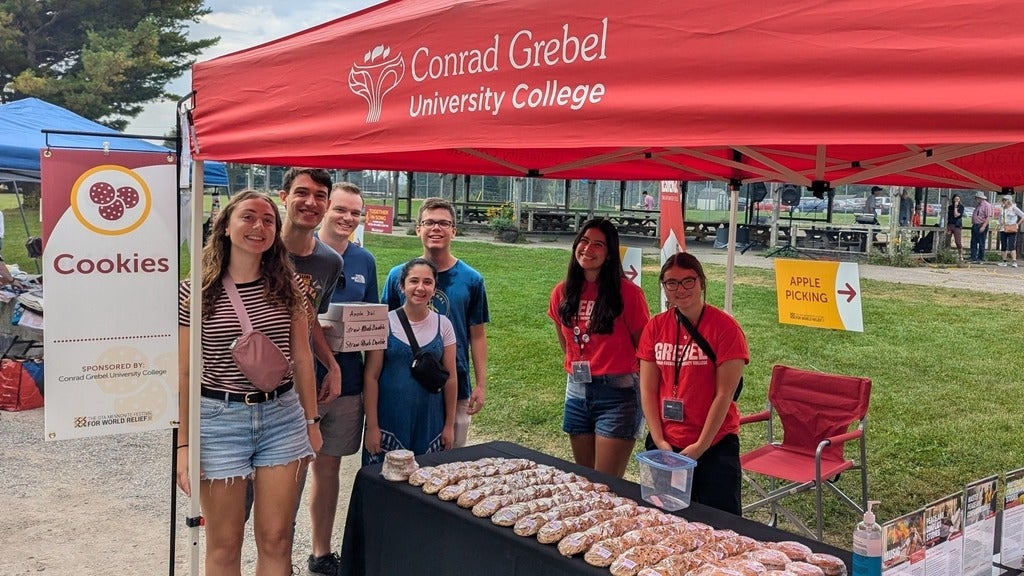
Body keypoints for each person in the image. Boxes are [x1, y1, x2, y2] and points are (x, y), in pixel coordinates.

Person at [175, 190, 321, 575]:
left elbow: (303, 358)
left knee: (276, 539)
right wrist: (184, 445)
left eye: (268, 220)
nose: (259, 226)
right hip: (219, 420)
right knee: (224, 544)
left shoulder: (287, 285)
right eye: (248, 217)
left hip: (282, 418)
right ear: (224, 226)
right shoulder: (195, 291)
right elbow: (185, 373)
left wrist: (312, 421)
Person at [637, 252, 748, 514]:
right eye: (671, 283)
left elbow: (724, 395)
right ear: (664, 288)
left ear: (701, 283)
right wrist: (659, 439)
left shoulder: (725, 328)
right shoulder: (655, 327)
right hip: (665, 444)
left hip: (714, 445)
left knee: (719, 523)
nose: (680, 289)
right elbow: (648, 388)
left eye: (688, 281)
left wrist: (701, 446)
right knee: (665, 517)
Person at [305, 182, 379, 571]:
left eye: (355, 212)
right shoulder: (300, 253)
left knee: (328, 467)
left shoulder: (364, 260)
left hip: (347, 382)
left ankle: (320, 551)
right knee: (291, 470)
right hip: (301, 382)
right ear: (325, 210)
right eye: (341, 210)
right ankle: (276, 552)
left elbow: (374, 324)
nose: (348, 218)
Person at [276, 168, 345, 575]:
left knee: (286, 491)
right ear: (284, 196)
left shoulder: (328, 262)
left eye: (320, 195)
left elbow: (310, 318)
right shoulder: (257, 248)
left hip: (296, 390)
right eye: (302, 192)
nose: (310, 202)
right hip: (242, 391)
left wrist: (331, 364)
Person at [382, 197, 489, 448]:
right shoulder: (398, 276)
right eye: (429, 222)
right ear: (418, 228)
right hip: (404, 383)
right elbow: (382, 329)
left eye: (443, 223)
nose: (436, 229)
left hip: (454, 380)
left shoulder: (471, 279)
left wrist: (481, 384)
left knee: (447, 459)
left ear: (454, 230)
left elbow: (478, 334)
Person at [547, 219, 650, 478]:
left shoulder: (628, 294)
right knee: (584, 481)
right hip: (577, 390)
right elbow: (565, 340)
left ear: (609, 253)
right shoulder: (562, 292)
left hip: (618, 393)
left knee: (606, 485)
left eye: (598, 244)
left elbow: (645, 349)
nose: (588, 248)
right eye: (584, 241)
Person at [364, 258, 457, 463]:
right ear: (402, 285)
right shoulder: (384, 323)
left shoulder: (444, 325)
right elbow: (371, 377)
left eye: (427, 282)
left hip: (429, 420)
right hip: (390, 419)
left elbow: (450, 378)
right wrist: (372, 426)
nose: (420, 288)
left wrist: (449, 425)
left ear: (435, 288)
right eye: (414, 281)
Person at [996, 195, 1024, 267]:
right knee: (1003, 245)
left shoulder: (1013, 208)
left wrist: (1017, 224)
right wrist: (998, 225)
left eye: (1005, 200)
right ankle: (1004, 261)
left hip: (1011, 228)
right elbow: (1000, 218)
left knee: (1011, 245)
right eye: (1003, 200)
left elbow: (1022, 215)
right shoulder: (1002, 209)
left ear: (1009, 201)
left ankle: (1014, 261)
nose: (1004, 202)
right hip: (1003, 228)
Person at [969, 191, 994, 263]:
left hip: (981, 225)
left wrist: (984, 226)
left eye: (977, 198)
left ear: (980, 198)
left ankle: (981, 257)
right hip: (975, 225)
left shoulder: (987, 205)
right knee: (973, 241)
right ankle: (973, 257)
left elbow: (988, 217)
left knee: (981, 241)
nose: (976, 199)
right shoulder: (978, 205)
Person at [946, 194, 965, 261]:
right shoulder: (949, 207)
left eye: (958, 199)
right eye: (955, 199)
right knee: (948, 241)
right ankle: (946, 254)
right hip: (950, 225)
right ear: (953, 199)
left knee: (958, 241)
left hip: (957, 225)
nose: (957, 200)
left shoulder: (961, 207)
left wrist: (956, 207)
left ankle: (960, 255)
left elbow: (956, 215)